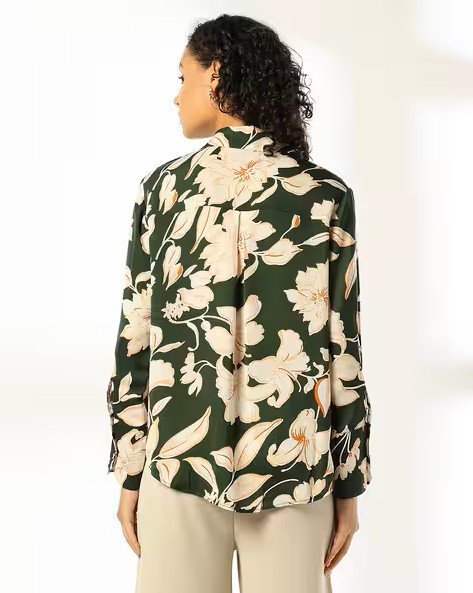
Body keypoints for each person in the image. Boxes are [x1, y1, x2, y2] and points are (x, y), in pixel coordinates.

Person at [106, 13, 372, 593]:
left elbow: (135, 336)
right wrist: (348, 484)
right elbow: (343, 350)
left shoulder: (163, 190)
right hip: (295, 465)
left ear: (216, 73)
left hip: (178, 460)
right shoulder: (324, 194)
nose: (176, 95)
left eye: (183, 76)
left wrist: (130, 468)